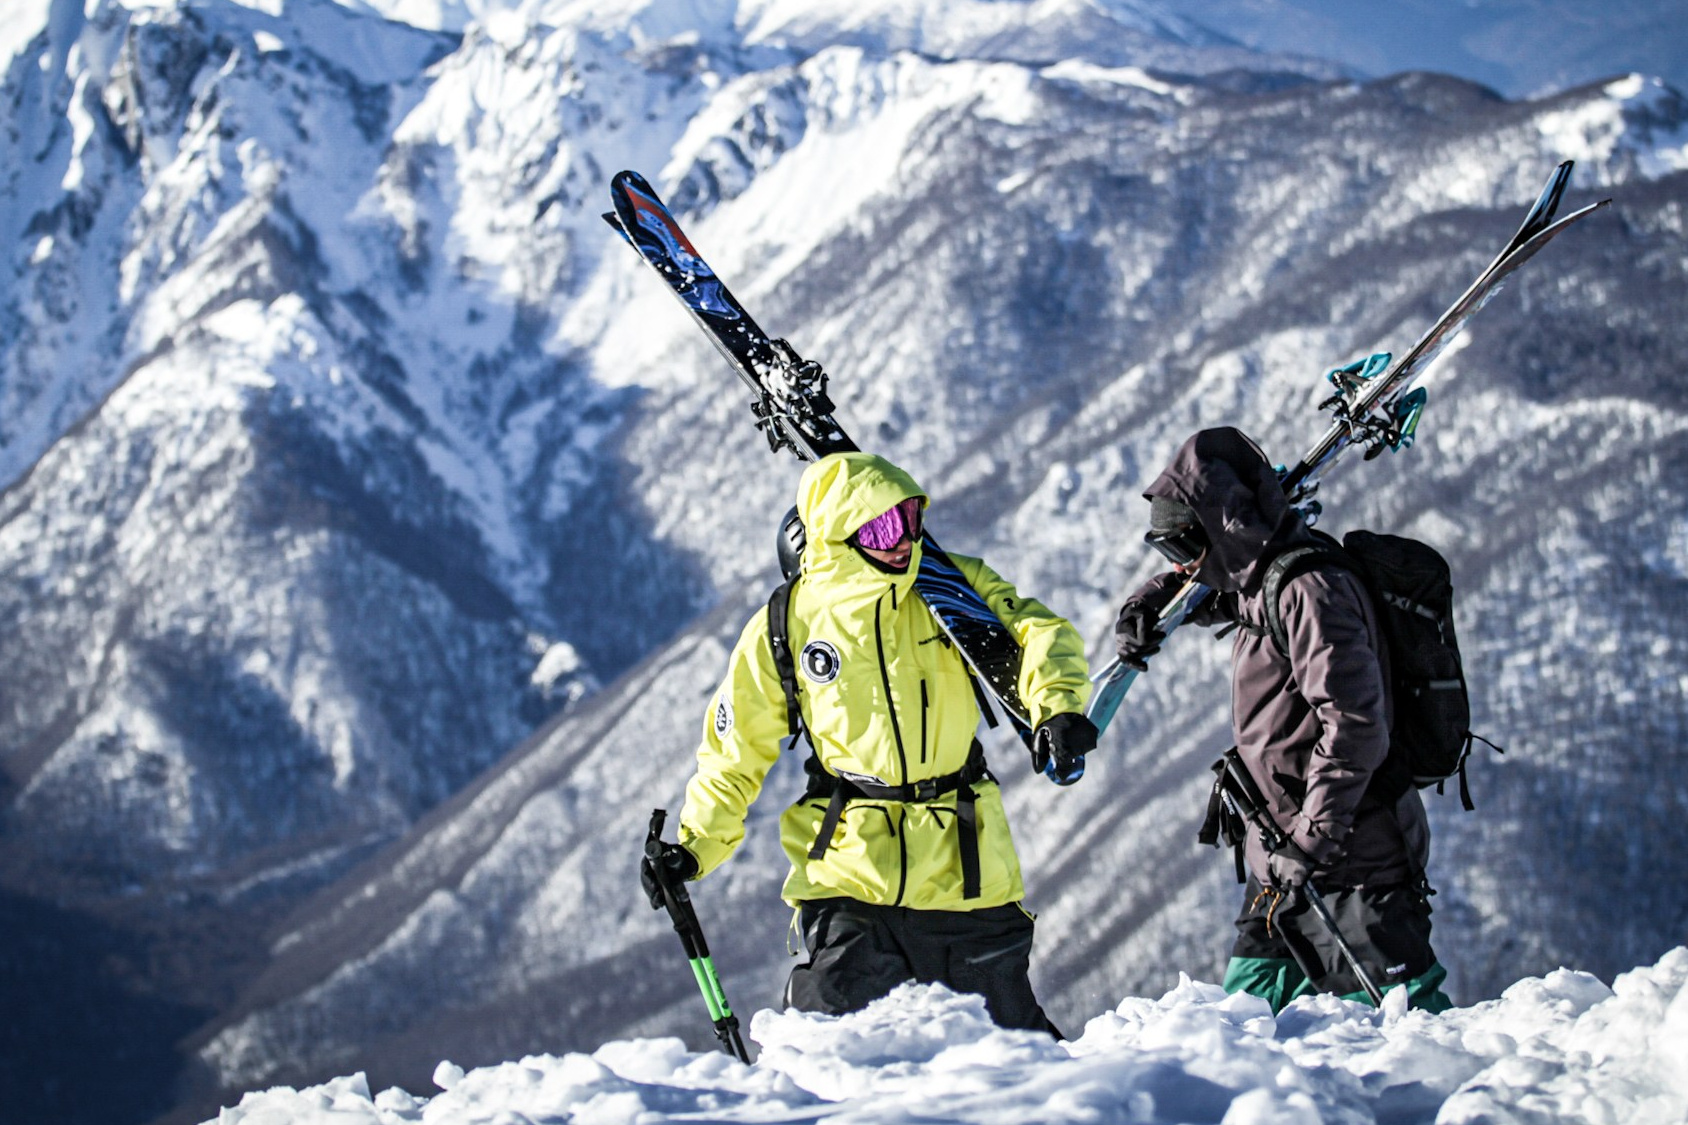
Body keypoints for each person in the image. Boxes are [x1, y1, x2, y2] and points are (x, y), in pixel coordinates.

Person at [644, 451, 1095, 1032]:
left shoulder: (946, 590)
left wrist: (1055, 706)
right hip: (850, 869)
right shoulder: (785, 627)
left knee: (1016, 1046)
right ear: (835, 535)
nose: (904, 540)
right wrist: (694, 845)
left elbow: (1040, 633)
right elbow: (734, 753)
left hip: (964, 868)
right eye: (883, 527)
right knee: (828, 1031)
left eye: (910, 519)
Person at [1115, 427, 1452, 1012]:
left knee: (1406, 1034)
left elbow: (1355, 725)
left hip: (1351, 862)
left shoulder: (1310, 590)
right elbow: (1204, 588)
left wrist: (1312, 840)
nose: (1182, 565)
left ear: (1220, 528)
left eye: (1181, 547)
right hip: (1281, 857)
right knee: (1242, 1030)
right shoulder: (1253, 577)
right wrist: (1144, 606)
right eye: (1166, 551)